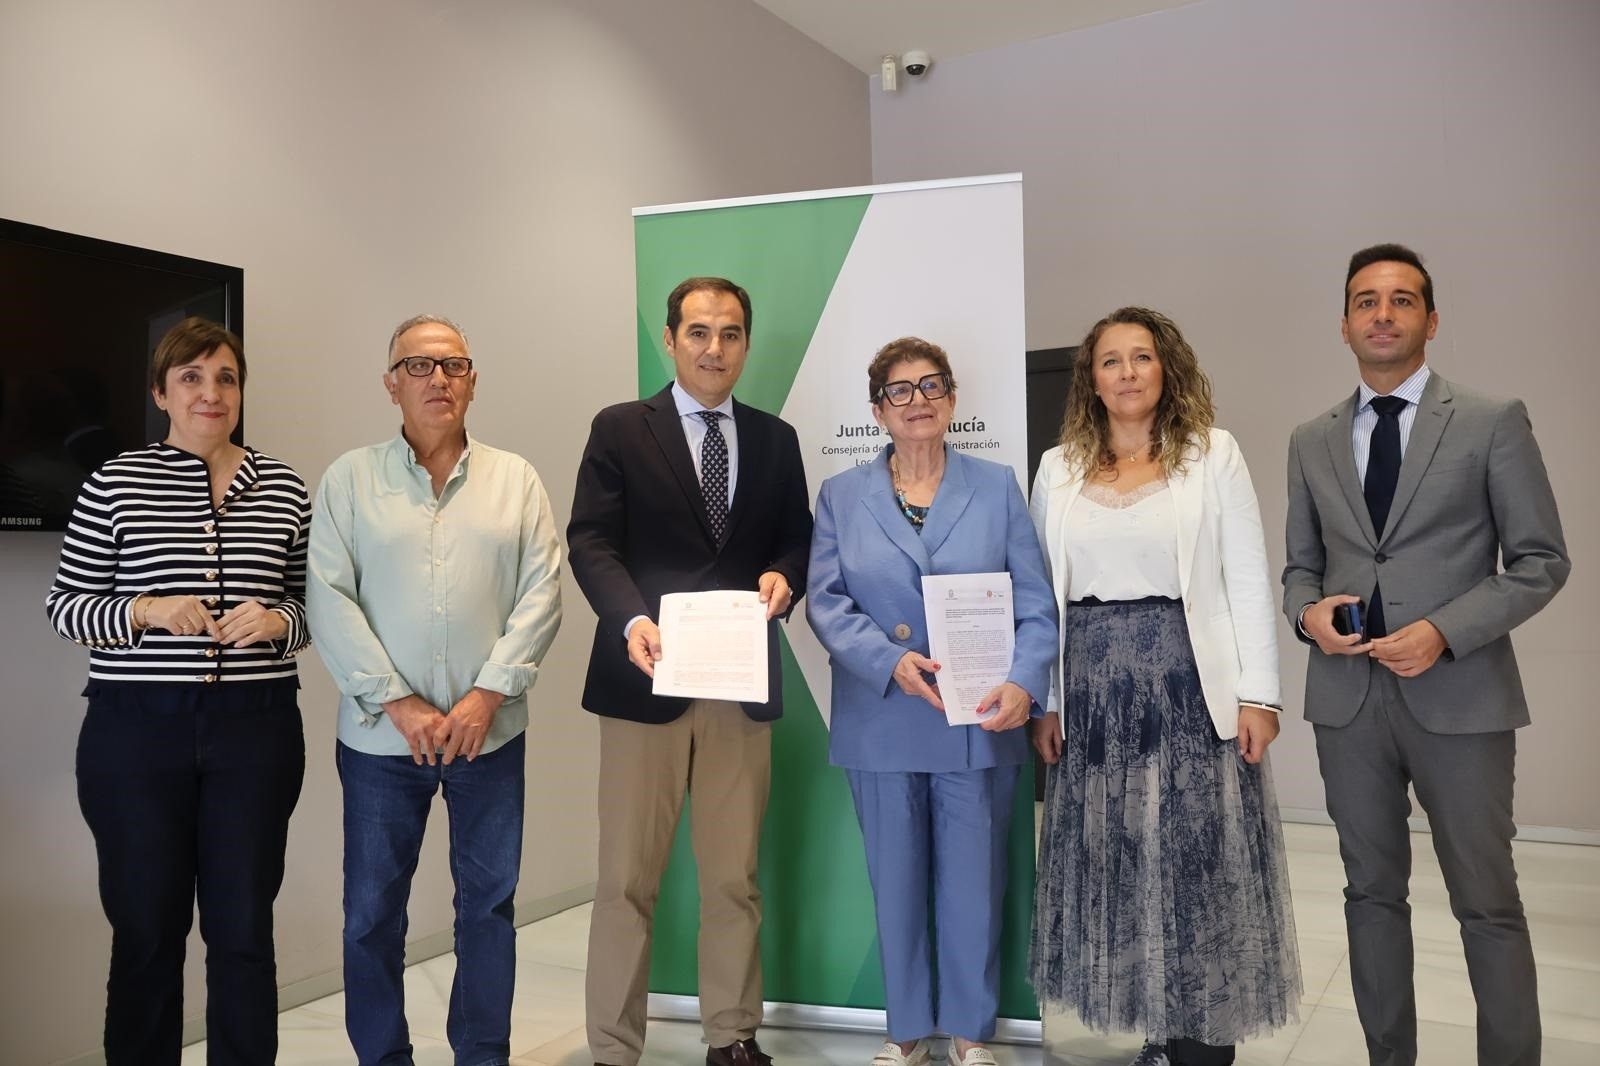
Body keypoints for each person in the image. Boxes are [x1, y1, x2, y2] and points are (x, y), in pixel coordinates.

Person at [1283, 245, 1569, 1066]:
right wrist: (1309, 616)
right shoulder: (1311, 439)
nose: (1383, 313)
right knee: (1371, 895)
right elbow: (1300, 567)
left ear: (1431, 320)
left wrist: (1445, 631)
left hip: (1462, 696)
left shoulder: (1490, 420)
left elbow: (1541, 560)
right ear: (1344, 325)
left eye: (1402, 299)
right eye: (1366, 301)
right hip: (1347, 703)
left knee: (1487, 903)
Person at [1029, 307, 1301, 1066]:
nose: (1127, 373)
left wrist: (1260, 695)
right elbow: (1040, 596)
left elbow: (1247, 578)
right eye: (1110, 360)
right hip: (1092, 693)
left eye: (1141, 357)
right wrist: (1048, 700)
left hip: (1189, 688)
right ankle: (1155, 1025)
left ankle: (1205, 1037)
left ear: (1166, 367)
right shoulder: (1057, 467)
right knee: (1122, 863)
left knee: (1194, 863)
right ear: (1091, 379)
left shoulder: (1213, 454)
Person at [46, 316, 311, 1064]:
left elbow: (313, 607)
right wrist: (145, 610)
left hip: (257, 731)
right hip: (135, 734)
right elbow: (65, 608)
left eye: (226, 377)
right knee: (146, 930)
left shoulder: (285, 487)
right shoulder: (115, 483)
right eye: (191, 377)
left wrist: (279, 621)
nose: (210, 392)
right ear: (160, 393)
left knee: (243, 930)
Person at [307, 314, 563, 1066]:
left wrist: (487, 695)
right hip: (382, 742)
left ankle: (481, 1055)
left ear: (472, 381)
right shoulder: (349, 480)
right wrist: (398, 701)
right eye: (418, 366)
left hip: (490, 736)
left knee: (488, 910)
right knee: (370, 915)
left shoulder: (516, 480)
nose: (437, 379)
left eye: (452, 365)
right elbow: (328, 597)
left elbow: (543, 591)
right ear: (391, 384)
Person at [569, 277, 812, 1066]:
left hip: (738, 689)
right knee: (625, 881)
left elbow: (796, 538)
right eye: (699, 332)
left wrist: (785, 576)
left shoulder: (775, 439)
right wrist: (630, 619)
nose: (715, 348)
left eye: (731, 333)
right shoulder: (619, 428)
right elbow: (591, 541)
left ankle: (732, 1035)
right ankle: (613, 1047)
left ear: (746, 343)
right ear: (670, 340)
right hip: (645, 680)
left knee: (733, 879)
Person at [806, 338, 1057, 1066]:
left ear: (952, 398)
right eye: (899, 389)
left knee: (975, 886)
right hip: (882, 716)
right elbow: (826, 602)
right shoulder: (841, 495)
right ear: (877, 409)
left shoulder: (997, 486)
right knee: (897, 884)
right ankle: (907, 1030)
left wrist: (1025, 681)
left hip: (980, 719)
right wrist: (888, 659)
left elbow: (1036, 604)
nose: (917, 401)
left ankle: (972, 1034)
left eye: (931, 385)